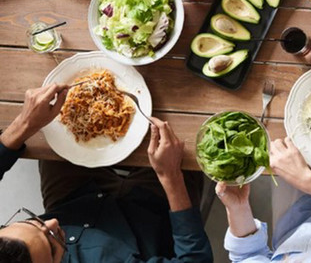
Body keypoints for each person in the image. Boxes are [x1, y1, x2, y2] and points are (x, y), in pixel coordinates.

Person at [0, 84, 213, 262]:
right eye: (52, 246)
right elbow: (195, 259)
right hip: (150, 214)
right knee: (190, 135)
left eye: (32, 221)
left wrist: (24, 123)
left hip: (74, 198)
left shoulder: (52, 222)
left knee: (56, 127)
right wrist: (172, 177)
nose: (53, 223)